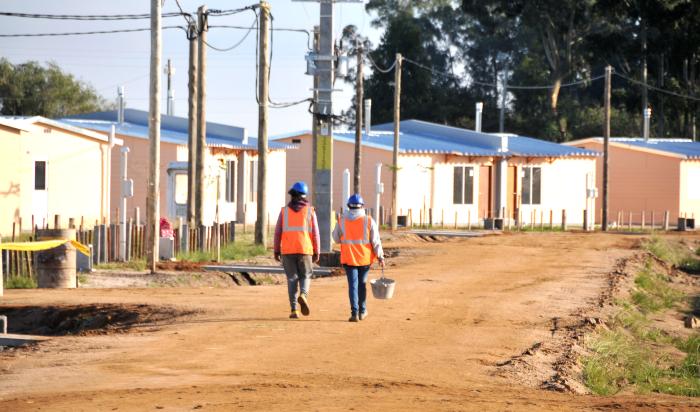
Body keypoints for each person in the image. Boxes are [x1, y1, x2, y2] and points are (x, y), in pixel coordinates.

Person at [332, 193, 385, 322]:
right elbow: (375, 241)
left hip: (349, 258)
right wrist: (380, 257)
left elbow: (335, 238)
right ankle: (362, 311)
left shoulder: (342, 220)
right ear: (362, 206)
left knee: (353, 285)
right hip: (364, 259)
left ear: (349, 206)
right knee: (362, 284)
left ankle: (354, 313)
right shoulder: (368, 220)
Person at [274, 181, 320, 319]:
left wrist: (276, 250)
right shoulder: (310, 211)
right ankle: (303, 295)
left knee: (292, 278)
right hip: (305, 249)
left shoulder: (284, 211)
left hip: (287, 250)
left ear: (292, 195)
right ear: (304, 196)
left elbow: (278, 232)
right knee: (305, 275)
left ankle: (294, 309)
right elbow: (316, 233)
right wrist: (317, 251)